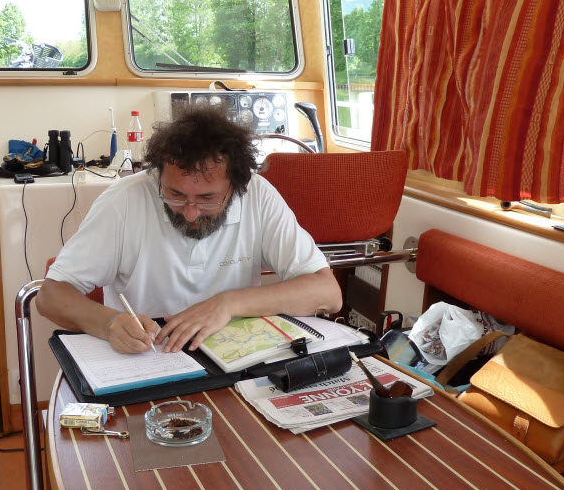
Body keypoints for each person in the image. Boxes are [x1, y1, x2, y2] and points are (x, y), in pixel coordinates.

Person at [36, 107, 342, 353]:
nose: (191, 212)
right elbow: (50, 296)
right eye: (175, 194)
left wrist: (228, 304)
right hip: (150, 354)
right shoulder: (124, 200)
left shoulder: (258, 195)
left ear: (237, 186)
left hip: (234, 353)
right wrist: (108, 323)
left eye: (208, 198)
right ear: (157, 176)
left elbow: (328, 293)